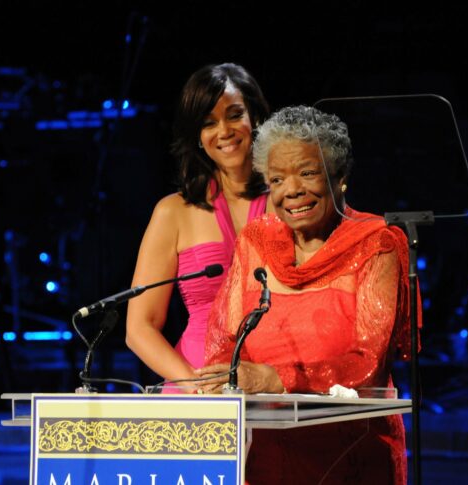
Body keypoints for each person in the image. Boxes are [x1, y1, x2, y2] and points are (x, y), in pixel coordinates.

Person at [195, 105, 417, 484]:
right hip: (264, 453)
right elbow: (224, 342)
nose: (292, 190)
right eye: (277, 179)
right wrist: (223, 381)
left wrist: (277, 378)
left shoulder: (375, 243)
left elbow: (367, 363)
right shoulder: (256, 241)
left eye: (308, 173)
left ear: (340, 176)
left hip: (353, 452)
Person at [125, 63, 270, 386]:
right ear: (198, 138)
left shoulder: (289, 203)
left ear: (255, 118)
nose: (224, 131)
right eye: (208, 123)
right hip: (195, 388)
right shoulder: (173, 212)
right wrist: (195, 387)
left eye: (234, 115)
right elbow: (139, 327)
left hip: (274, 386)